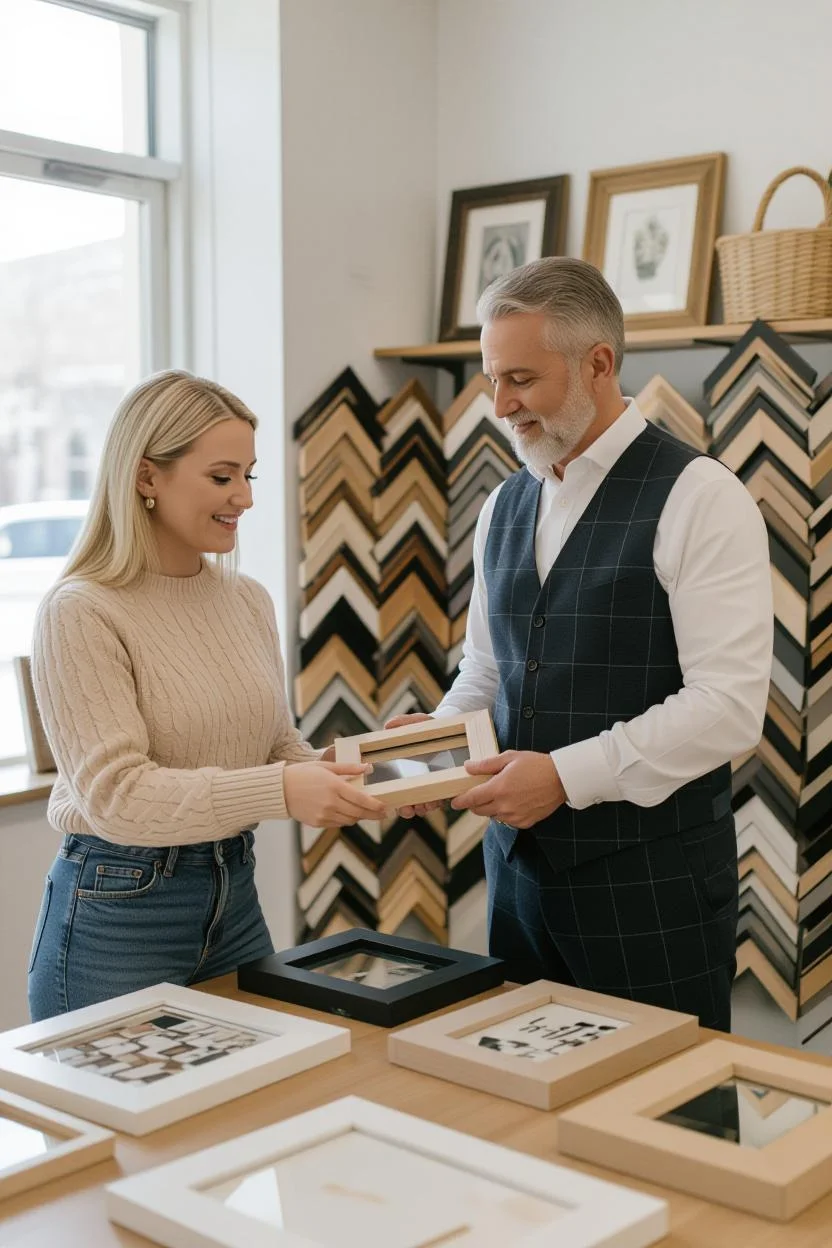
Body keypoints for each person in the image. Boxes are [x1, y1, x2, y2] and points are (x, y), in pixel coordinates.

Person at [388, 257, 773, 1032]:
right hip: (518, 887)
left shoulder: (703, 497)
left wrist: (563, 777)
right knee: (525, 1123)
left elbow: (728, 709)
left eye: (521, 380)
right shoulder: (502, 503)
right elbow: (489, 671)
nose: (500, 406)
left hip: (652, 891)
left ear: (599, 364)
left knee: (662, 1133)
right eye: (493, 380)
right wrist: (424, 751)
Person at [28, 370, 385, 1021]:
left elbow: (275, 743)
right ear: (146, 478)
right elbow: (115, 795)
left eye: (250, 475)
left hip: (234, 897)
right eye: (222, 477)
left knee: (252, 1113)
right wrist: (282, 789)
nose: (244, 498)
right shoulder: (82, 611)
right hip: (118, 914)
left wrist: (353, 769)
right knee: (125, 1124)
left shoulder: (247, 599)